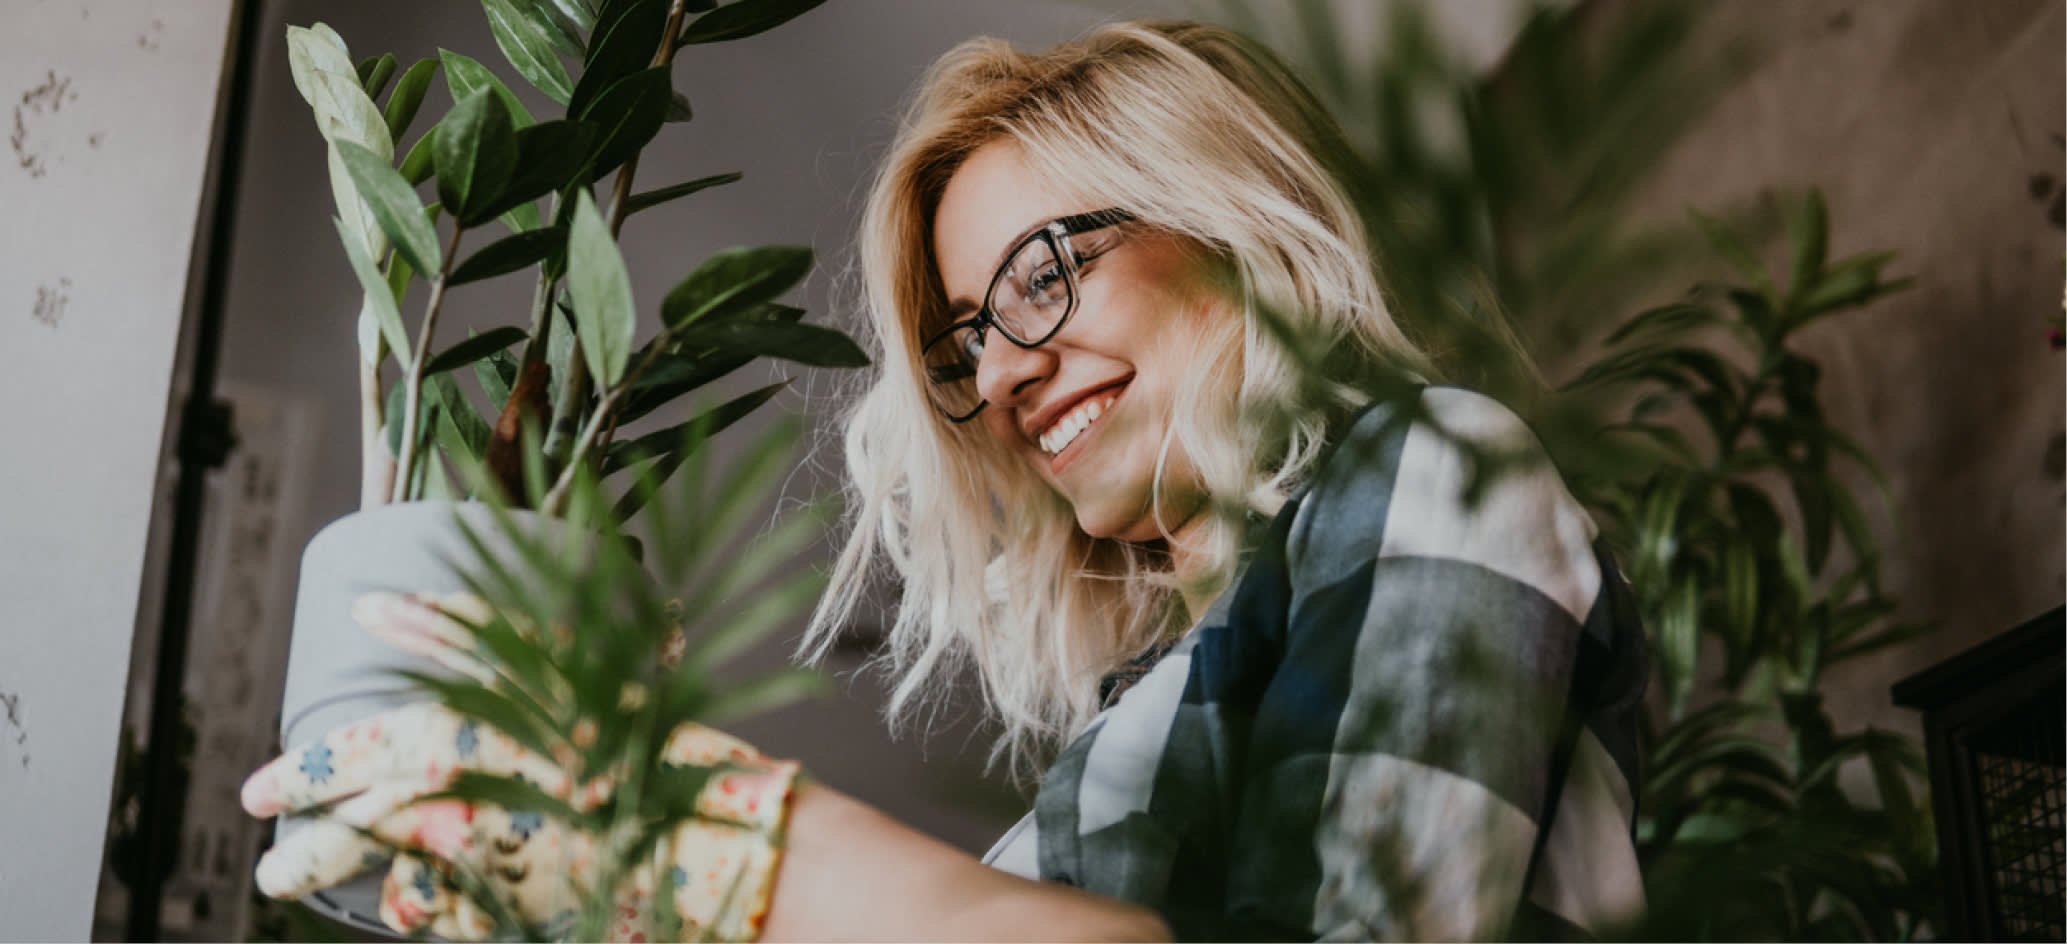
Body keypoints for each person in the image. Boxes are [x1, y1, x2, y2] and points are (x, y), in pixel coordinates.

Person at [243, 19, 1649, 942]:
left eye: (1045, 274)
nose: (1001, 373)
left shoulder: (1436, 469)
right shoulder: (1149, 712)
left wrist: (737, 846)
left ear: (1232, 219)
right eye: (963, 338)